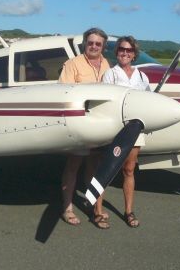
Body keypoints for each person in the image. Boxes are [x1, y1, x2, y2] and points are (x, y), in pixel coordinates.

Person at [58, 27, 110, 227]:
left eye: (98, 43)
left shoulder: (106, 64)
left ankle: (95, 207)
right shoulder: (72, 64)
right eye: (91, 43)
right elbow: (63, 93)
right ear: (85, 44)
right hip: (81, 125)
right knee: (73, 166)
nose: (94, 46)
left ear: (103, 46)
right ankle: (67, 208)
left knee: (95, 168)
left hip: (101, 126)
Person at [101, 36, 150, 228]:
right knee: (107, 169)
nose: (125, 53)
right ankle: (98, 210)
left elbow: (148, 101)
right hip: (115, 130)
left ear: (134, 54)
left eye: (129, 50)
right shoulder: (110, 75)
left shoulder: (141, 76)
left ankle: (128, 211)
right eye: (122, 49)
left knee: (129, 169)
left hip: (135, 129)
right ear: (117, 51)